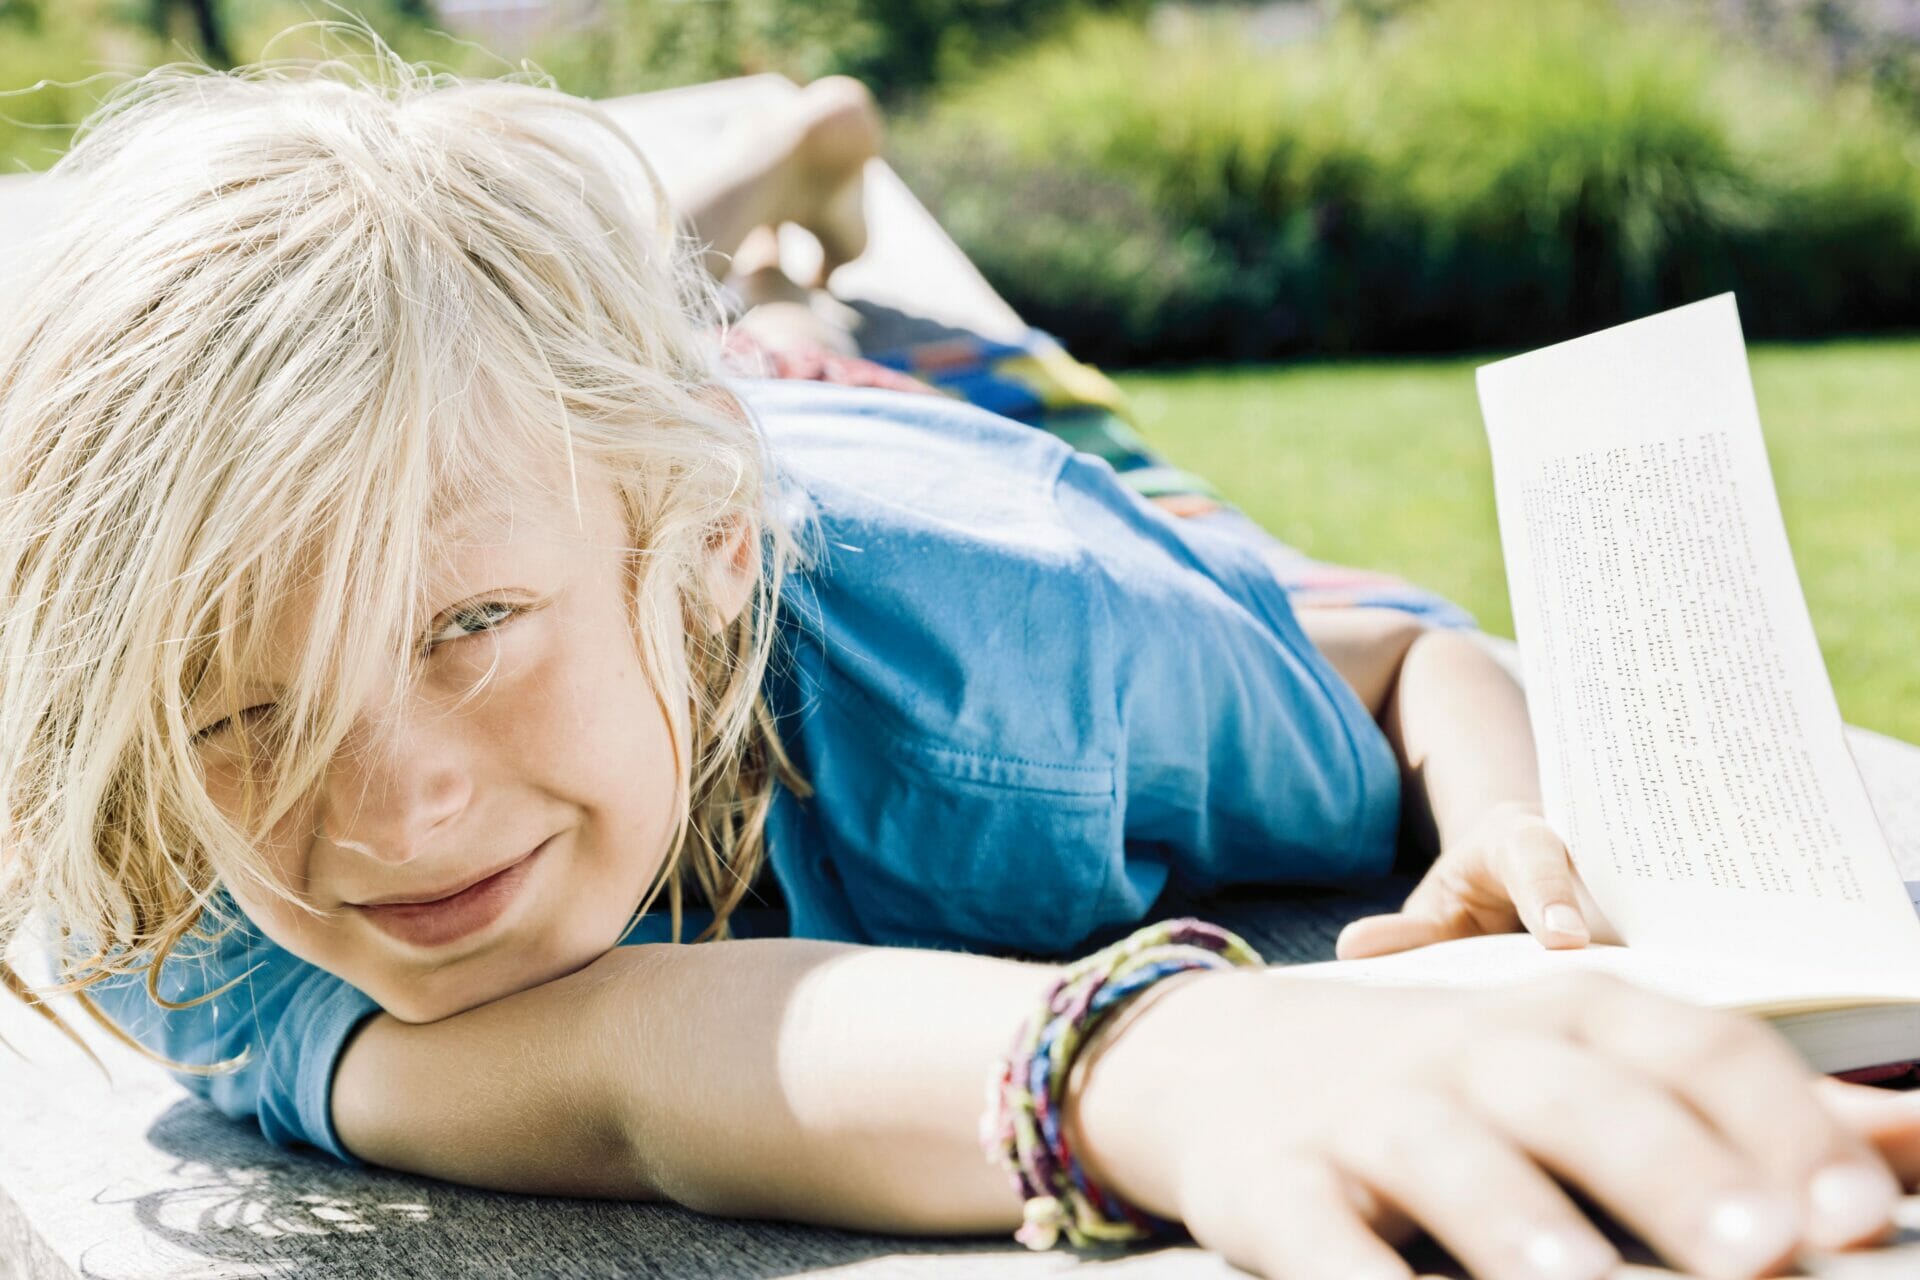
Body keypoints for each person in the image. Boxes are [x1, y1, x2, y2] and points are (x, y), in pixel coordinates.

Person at [3, 46, 1920, 1280]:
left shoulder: (1031, 665)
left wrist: (1502, 823)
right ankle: (762, 196)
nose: (388, 805)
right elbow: (620, 1074)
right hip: (663, 439)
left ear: (696, 569)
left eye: (472, 631)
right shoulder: (149, 849)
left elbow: (1400, 663)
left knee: (893, 331)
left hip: (951, 448)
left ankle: (793, 191)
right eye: (245, 708)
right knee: (652, 335)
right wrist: (1143, 1065)